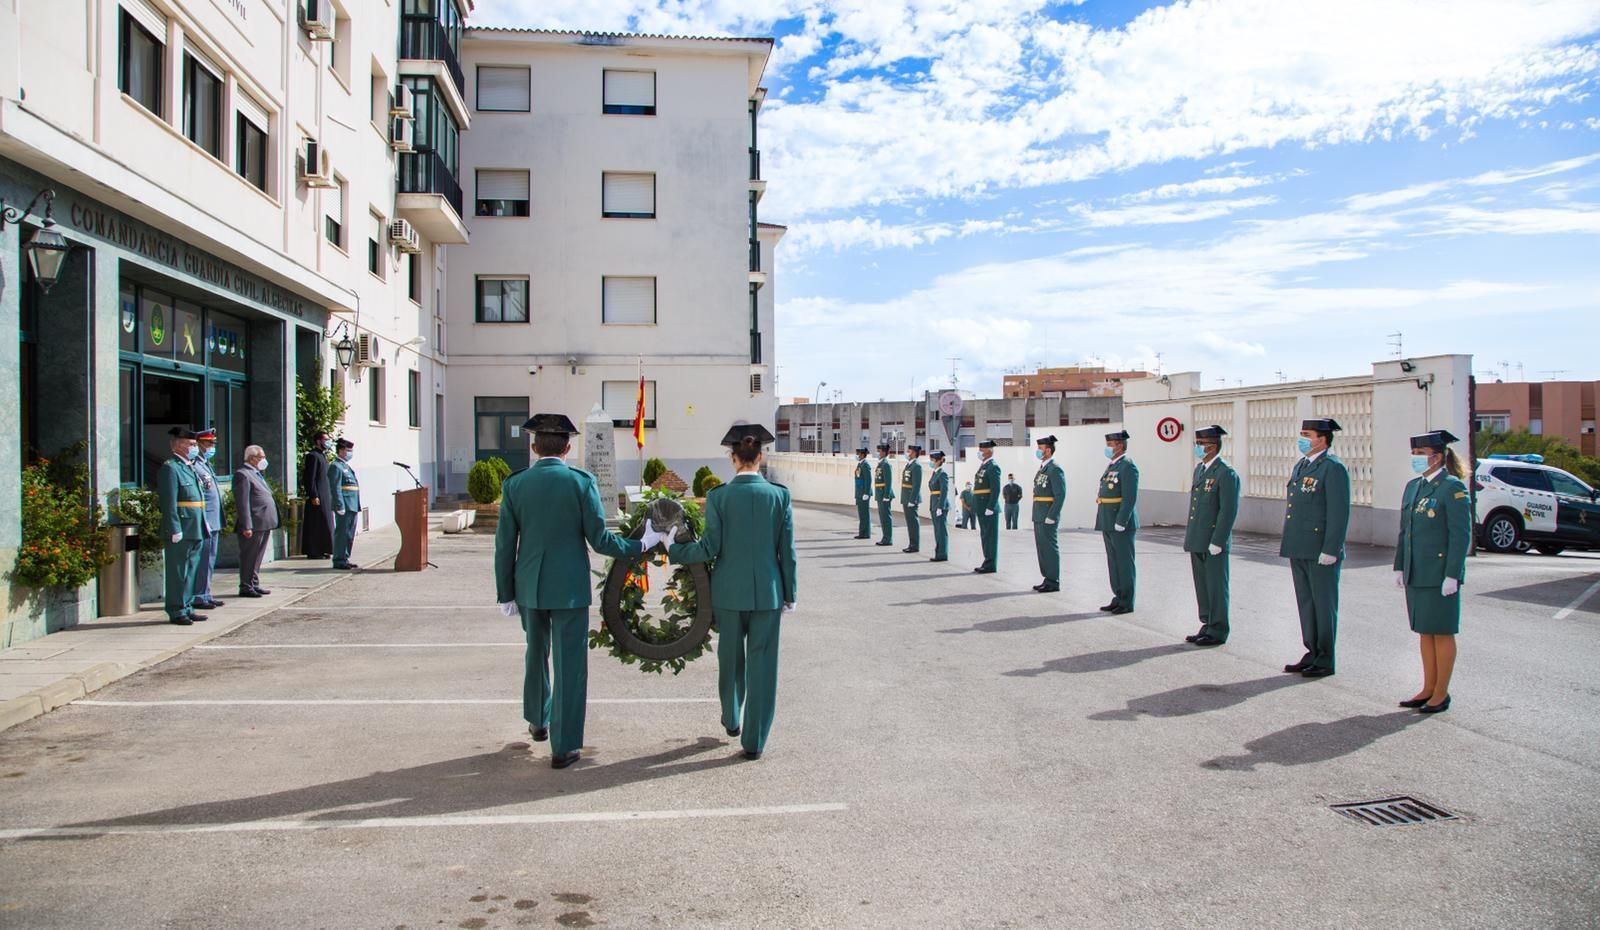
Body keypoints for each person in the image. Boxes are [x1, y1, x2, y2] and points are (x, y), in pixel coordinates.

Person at [495, 413, 653, 769]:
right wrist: (640, 545)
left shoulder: (516, 485)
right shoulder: (581, 482)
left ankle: (538, 720)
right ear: (568, 448)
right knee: (570, 664)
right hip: (569, 586)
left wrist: (505, 592)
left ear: (534, 447)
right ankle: (564, 746)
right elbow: (600, 540)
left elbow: (504, 544)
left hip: (530, 585)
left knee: (536, 653)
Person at [666, 424, 798, 760]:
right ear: (761, 457)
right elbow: (787, 551)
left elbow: (709, 548)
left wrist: (674, 550)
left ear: (733, 458)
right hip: (768, 592)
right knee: (763, 665)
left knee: (730, 658)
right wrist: (790, 593)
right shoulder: (779, 495)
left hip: (727, 592)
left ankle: (732, 717)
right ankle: (754, 741)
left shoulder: (719, 496)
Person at [1395, 430, 1470, 714]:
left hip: (1439, 573)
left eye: (1420, 454)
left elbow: (1460, 535)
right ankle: (1428, 688)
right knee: (1425, 631)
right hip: (1417, 570)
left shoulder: (1452, 488)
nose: (1415, 458)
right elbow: (1405, 531)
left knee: (1442, 632)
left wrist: (1453, 574)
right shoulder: (1414, 487)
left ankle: (1441, 693)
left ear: (1437, 458)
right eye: (1414, 454)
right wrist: (1400, 565)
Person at [1281, 418, 1351, 678]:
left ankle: (1325, 657)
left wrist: (1331, 548)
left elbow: (1339, 511)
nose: (1302, 439)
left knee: (1323, 604)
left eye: (1307, 434)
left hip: (1320, 548)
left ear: (1321, 440)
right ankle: (1311, 651)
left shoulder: (1333, 468)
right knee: (1307, 603)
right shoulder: (1302, 465)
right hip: (1299, 545)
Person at [1183, 426, 1241, 646]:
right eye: (1196, 443)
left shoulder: (1226, 473)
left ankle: (1218, 629)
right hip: (1197, 538)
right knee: (1203, 585)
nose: (1197, 447)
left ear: (1213, 446)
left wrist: (1219, 540)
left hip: (1213, 540)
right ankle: (1206, 623)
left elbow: (1228, 510)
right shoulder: (1200, 470)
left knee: (1216, 586)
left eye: (1201, 443)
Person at [157, 427, 209, 626]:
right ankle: (176, 609)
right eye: (191, 444)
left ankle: (187, 606)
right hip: (182, 526)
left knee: (191, 570)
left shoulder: (189, 467)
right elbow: (169, 501)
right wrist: (174, 527)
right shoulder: (171, 468)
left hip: (195, 526)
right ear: (178, 445)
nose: (195, 448)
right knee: (178, 572)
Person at [1096, 430, 1139, 614]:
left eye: (1110, 445)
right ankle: (1118, 596)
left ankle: (1126, 601)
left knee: (1124, 563)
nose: (1107, 448)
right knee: (1113, 562)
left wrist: (1122, 520)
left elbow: (1130, 497)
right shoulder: (1113, 465)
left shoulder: (1127, 466)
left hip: (1121, 523)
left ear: (1120, 446)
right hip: (1107, 520)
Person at [233, 444, 279, 598]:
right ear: (252, 458)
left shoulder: (257, 473)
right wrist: (247, 525)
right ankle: (246, 586)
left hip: (263, 522)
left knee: (257, 556)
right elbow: (242, 502)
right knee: (249, 556)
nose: (264, 460)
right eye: (261, 457)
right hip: (254, 523)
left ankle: (254, 583)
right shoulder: (243, 474)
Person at [189, 427, 226, 611]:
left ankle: (205, 593)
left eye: (213, 443)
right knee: (203, 560)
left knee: (209, 560)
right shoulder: (195, 465)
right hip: (205, 522)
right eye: (209, 443)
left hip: (213, 520)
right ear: (199, 444)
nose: (212, 446)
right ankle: (199, 595)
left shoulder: (205, 464)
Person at [1031, 436, 1066, 593]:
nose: (1038, 451)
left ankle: (1053, 581)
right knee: (1042, 548)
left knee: (1049, 548)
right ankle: (1047, 578)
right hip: (1039, 513)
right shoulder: (1043, 468)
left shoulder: (1054, 469)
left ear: (1049, 450)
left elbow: (1060, 495)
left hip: (1047, 514)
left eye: (1041, 448)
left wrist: (1052, 516)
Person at [300, 431, 335, 560]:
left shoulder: (322, 456)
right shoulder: (313, 456)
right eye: (326, 439)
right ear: (318, 441)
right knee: (316, 523)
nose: (328, 442)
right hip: (318, 495)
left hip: (325, 494)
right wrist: (313, 495)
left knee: (325, 523)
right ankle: (314, 550)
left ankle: (324, 548)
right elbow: (310, 478)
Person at [329, 438, 361, 570]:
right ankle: (339, 560)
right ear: (341, 451)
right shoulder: (336, 466)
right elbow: (335, 487)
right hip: (345, 505)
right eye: (348, 450)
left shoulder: (345, 466)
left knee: (349, 534)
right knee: (342, 533)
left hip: (352, 504)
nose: (350, 453)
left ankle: (345, 558)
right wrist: (339, 505)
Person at [972, 440, 1001, 573]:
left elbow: (995, 489)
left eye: (981, 450)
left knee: (990, 537)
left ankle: (990, 564)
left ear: (989, 451)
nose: (979, 452)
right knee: (985, 535)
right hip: (981, 506)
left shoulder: (993, 467)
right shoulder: (984, 466)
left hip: (988, 507)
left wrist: (991, 507)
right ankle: (987, 562)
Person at [927, 450, 951, 562]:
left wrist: (940, 507)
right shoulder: (935, 473)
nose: (931, 462)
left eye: (932, 460)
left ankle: (942, 554)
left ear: (938, 461)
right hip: (934, 504)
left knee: (941, 531)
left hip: (939, 505)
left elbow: (944, 491)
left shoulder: (942, 474)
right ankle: (939, 553)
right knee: (937, 531)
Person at [900, 445, 924, 554]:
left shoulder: (916, 466)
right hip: (906, 497)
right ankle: (911, 544)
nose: (907, 453)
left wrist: (912, 500)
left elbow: (916, 485)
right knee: (909, 523)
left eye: (908, 451)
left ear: (914, 453)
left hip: (911, 498)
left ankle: (914, 545)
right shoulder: (909, 465)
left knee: (913, 523)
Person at [874, 443, 896, 547]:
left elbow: (888, 481)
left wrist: (886, 495)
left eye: (879, 451)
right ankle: (885, 537)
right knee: (882, 517)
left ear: (883, 452)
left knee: (886, 517)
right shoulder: (881, 464)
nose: (878, 453)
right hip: (880, 493)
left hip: (884, 494)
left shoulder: (886, 464)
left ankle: (888, 539)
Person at [852, 447, 873, 539]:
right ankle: (862, 532)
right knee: (861, 514)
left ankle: (866, 533)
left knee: (865, 514)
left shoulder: (865, 465)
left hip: (864, 493)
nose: (857, 455)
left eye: (859, 454)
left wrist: (866, 493)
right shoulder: (860, 464)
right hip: (859, 492)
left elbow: (868, 480)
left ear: (863, 455)